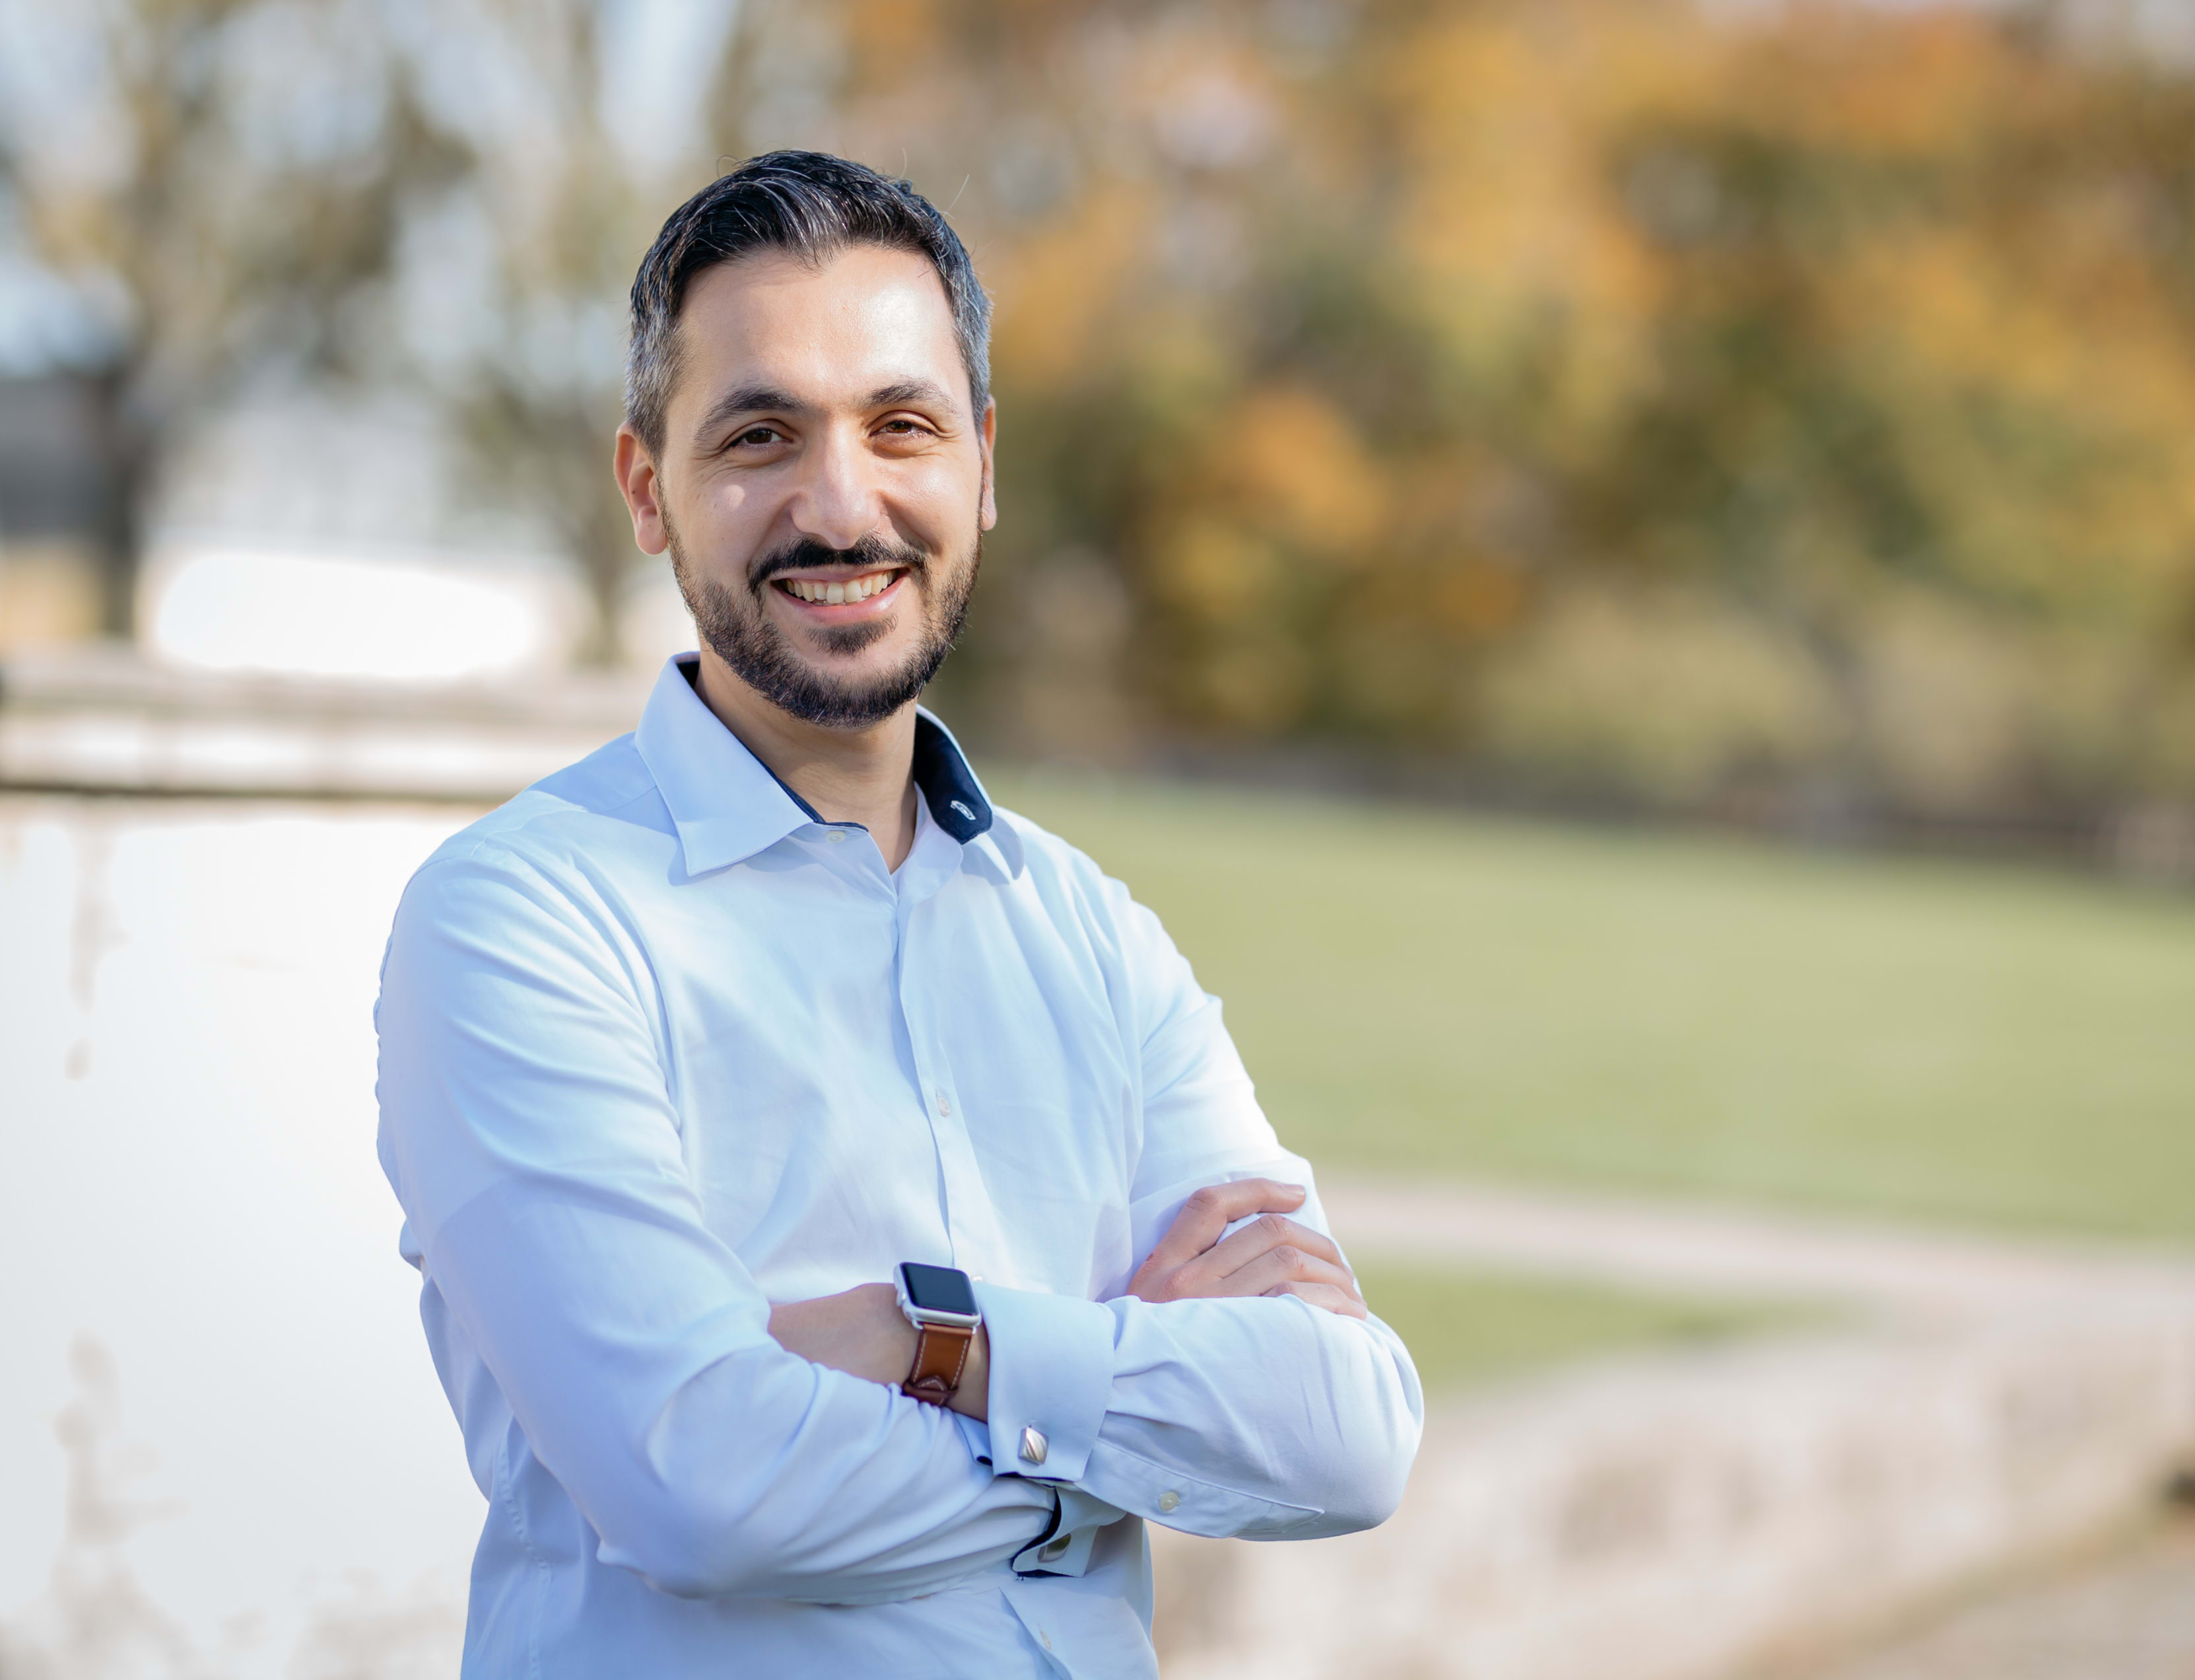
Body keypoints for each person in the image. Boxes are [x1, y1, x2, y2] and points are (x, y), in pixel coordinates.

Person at [372, 151, 1422, 1679]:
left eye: (902, 425)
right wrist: (1121, 1439)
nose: (840, 501)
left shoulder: (1093, 935)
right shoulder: (519, 921)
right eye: (758, 435)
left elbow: (1349, 1429)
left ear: (983, 466)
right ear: (646, 489)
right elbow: (704, 1480)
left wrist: (944, 1343)